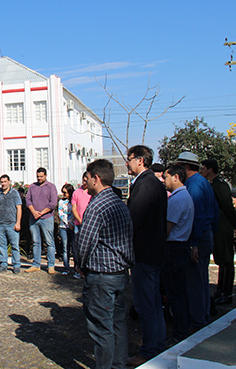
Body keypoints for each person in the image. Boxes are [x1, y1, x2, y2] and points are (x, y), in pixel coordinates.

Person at [76, 159, 134, 369]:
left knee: (102, 329)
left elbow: (84, 242)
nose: (86, 182)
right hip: (120, 273)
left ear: (96, 178)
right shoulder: (119, 203)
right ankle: (118, 365)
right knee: (117, 324)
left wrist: (80, 265)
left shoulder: (97, 206)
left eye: (88, 178)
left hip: (102, 276)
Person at [125, 145, 167, 367]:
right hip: (154, 251)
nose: (127, 163)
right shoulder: (154, 183)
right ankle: (157, 344)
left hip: (145, 252)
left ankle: (150, 350)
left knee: (146, 304)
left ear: (140, 160)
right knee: (153, 302)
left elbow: (134, 220)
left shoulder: (145, 184)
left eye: (130, 159)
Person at [177, 152, 218, 331]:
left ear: (186, 167)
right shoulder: (204, 182)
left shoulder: (193, 186)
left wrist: (194, 243)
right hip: (206, 235)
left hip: (197, 238)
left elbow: (196, 216)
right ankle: (204, 316)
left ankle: (197, 322)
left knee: (194, 283)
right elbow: (215, 213)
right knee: (202, 280)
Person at [162, 164, 194, 344]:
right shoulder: (183, 196)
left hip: (174, 248)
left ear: (175, 177)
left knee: (175, 293)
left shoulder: (177, 199)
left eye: (166, 177)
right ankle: (182, 327)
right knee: (179, 291)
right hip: (180, 247)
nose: (164, 181)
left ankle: (180, 331)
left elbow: (167, 228)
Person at [200, 159, 236, 306]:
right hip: (217, 226)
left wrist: (234, 222)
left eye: (203, 168)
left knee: (226, 260)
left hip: (223, 226)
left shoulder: (220, 185)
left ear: (210, 170)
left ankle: (227, 292)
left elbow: (227, 207)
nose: (201, 171)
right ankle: (220, 289)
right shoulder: (211, 185)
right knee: (221, 259)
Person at [25, 167, 58, 274]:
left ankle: (51, 265)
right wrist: (34, 212)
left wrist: (41, 212)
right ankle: (36, 264)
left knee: (49, 242)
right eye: (38, 176)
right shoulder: (32, 187)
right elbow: (28, 200)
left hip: (47, 218)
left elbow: (53, 203)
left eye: (41, 176)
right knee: (35, 242)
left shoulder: (51, 187)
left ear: (46, 175)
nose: (39, 178)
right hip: (33, 219)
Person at [0, 175, 22, 273]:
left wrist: (18, 222)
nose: (3, 184)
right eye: (1, 182)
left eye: (5, 181)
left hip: (12, 224)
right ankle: (3, 264)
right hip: (0, 224)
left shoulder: (15, 193)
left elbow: (19, 208)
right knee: (2, 246)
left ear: (9, 182)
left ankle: (16, 265)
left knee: (15, 246)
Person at [71, 172, 91, 279]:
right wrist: (80, 220)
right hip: (78, 224)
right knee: (77, 249)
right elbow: (74, 208)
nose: (84, 182)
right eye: (83, 180)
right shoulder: (76, 193)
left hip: (89, 224)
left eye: (86, 180)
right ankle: (77, 269)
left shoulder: (92, 192)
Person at [58, 184, 75, 275]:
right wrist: (67, 222)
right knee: (65, 247)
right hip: (63, 227)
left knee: (74, 248)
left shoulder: (73, 201)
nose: (63, 194)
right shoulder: (61, 201)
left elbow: (75, 212)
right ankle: (66, 267)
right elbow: (60, 213)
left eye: (65, 192)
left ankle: (76, 268)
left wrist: (72, 223)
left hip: (72, 226)